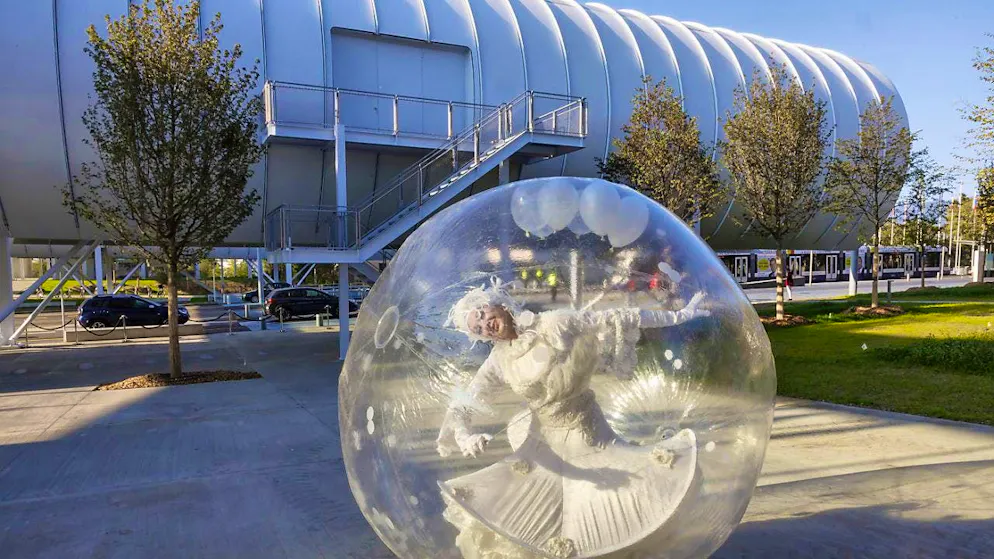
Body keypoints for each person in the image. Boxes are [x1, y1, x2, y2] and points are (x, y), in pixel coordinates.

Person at [435, 279, 710, 558]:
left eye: (482, 315)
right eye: (477, 328)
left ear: (498, 304)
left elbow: (619, 317)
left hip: (590, 435)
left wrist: (680, 316)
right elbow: (464, 405)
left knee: (610, 501)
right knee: (533, 516)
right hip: (544, 443)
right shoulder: (498, 361)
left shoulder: (556, 323)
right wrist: (463, 436)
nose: (486, 325)